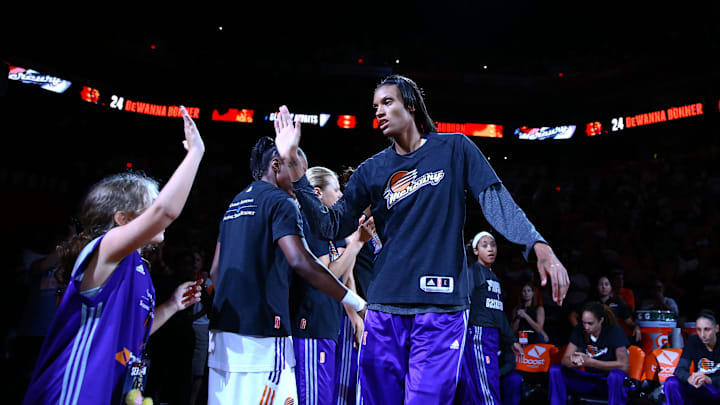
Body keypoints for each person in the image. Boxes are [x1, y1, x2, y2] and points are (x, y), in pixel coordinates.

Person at [274, 74, 569, 404]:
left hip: (440, 310)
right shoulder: (372, 170)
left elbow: (495, 200)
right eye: (375, 107)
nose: (379, 112)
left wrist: (537, 244)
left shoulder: (455, 148)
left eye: (388, 102)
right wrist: (296, 171)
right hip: (384, 309)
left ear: (411, 105)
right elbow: (329, 225)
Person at [22, 106, 205, 404]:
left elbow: (135, 334)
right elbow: (166, 212)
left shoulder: (139, 267)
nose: (159, 210)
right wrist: (195, 152)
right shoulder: (105, 249)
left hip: (111, 391)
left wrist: (171, 306)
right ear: (122, 219)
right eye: (151, 204)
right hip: (73, 391)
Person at [207, 137, 366, 405]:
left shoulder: (235, 203)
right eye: (297, 173)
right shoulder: (282, 202)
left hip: (223, 336)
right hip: (264, 335)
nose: (300, 183)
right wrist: (357, 303)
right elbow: (302, 262)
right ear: (277, 165)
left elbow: (214, 273)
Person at [291, 165, 373, 405]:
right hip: (311, 325)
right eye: (336, 190)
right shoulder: (308, 223)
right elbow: (325, 277)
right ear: (317, 193)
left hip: (328, 323)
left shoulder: (330, 228)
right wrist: (356, 243)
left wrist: (357, 314)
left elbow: (346, 275)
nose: (340, 195)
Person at [454, 231, 523, 404]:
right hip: (478, 333)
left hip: (492, 336)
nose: (490, 249)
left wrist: (512, 340)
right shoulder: (473, 271)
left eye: (493, 245)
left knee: (483, 384)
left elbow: (499, 314)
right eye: (484, 245)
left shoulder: (494, 277)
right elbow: (464, 302)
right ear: (476, 251)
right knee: (486, 386)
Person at [549, 302, 632, 405]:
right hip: (589, 379)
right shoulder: (580, 329)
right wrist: (575, 361)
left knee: (616, 376)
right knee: (556, 370)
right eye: (584, 322)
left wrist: (591, 362)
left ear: (601, 320)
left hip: (607, 381)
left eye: (590, 323)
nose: (586, 327)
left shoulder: (614, 331)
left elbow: (624, 366)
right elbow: (565, 360)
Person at [663, 311, 720, 404]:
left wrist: (710, 380)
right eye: (699, 330)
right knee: (671, 383)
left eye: (707, 329)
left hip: (716, 388)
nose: (702, 334)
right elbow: (679, 370)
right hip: (700, 386)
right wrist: (689, 378)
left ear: (716, 328)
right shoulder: (693, 341)